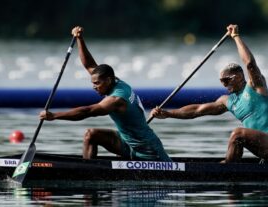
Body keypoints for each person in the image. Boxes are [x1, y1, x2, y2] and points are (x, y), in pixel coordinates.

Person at [151, 24, 268, 164]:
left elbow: (249, 64)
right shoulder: (227, 101)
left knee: (237, 134)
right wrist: (168, 114)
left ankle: (226, 170)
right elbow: (196, 111)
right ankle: (230, 169)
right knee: (238, 136)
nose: (224, 85)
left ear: (240, 77)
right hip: (267, 150)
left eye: (227, 80)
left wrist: (235, 36)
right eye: (221, 81)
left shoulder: (255, 86)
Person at [40, 26, 171, 162]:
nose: (94, 87)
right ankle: (87, 172)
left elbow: (88, 111)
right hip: (126, 143)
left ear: (108, 80)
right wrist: (80, 39)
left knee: (91, 131)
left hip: (148, 150)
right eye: (93, 83)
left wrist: (54, 115)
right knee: (90, 135)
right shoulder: (115, 81)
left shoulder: (117, 99)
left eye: (97, 84)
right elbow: (90, 65)